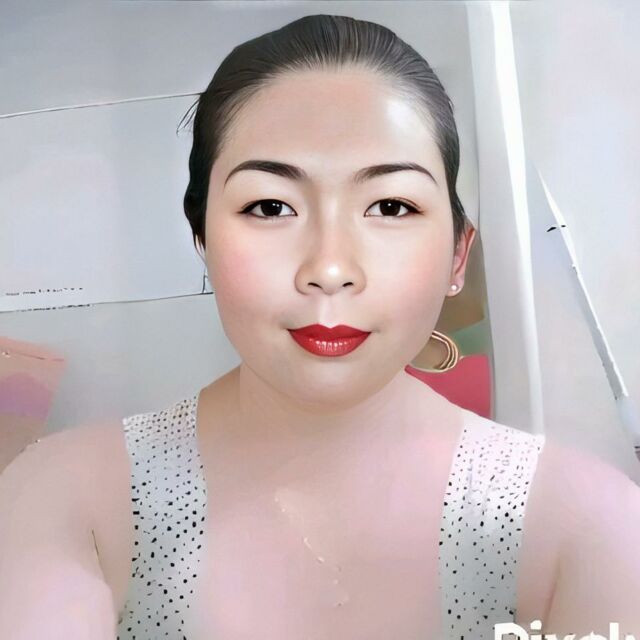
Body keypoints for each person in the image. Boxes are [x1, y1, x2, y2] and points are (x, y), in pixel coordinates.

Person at [1, 13, 639, 640]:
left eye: (390, 206)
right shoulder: (71, 500)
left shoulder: (587, 529)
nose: (329, 269)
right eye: (270, 206)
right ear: (202, 240)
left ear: (456, 256)